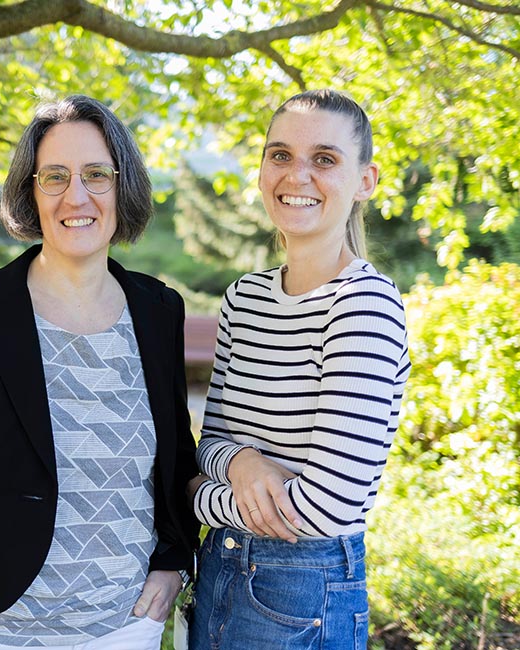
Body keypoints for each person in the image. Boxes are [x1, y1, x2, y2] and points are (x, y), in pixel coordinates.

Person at [0, 95, 200, 650]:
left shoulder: (159, 311)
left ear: (123, 186)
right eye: (55, 176)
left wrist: (173, 561)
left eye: (96, 175)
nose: (76, 196)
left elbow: (177, 456)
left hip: (124, 629)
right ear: (30, 191)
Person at [188, 89, 412, 649]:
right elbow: (210, 442)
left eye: (325, 159)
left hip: (304, 589)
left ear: (365, 181)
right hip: (218, 569)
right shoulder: (244, 298)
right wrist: (242, 462)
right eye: (281, 154)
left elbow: (325, 505)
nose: (297, 175)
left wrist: (195, 496)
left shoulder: (364, 304)